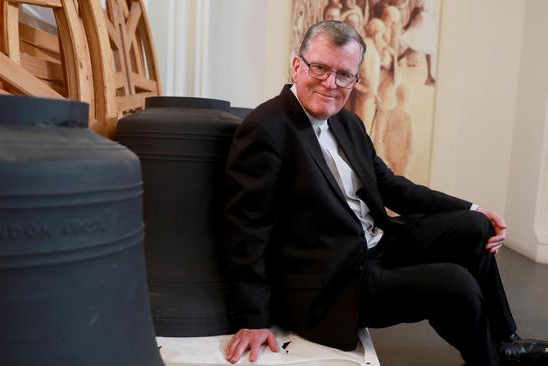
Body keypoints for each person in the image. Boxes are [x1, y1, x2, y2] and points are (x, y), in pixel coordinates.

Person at [223, 20, 548, 366]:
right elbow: (246, 229)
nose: (331, 84)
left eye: (344, 74)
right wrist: (252, 318)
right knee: (455, 284)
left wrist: (474, 208)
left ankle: (505, 340)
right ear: (297, 65)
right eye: (320, 68)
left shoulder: (347, 122)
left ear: (356, 79)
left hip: (376, 245)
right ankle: (491, 360)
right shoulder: (265, 128)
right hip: (332, 283)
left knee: (474, 228)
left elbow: (391, 186)